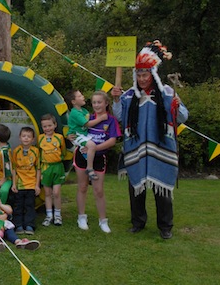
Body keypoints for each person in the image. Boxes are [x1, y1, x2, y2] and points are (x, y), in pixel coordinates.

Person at [111, 41, 189, 239]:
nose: (142, 78)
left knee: (162, 189)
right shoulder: (129, 95)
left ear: (153, 74)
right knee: (136, 188)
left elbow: (182, 117)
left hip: (160, 146)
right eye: (139, 75)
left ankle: (165, 227)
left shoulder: (167, 93)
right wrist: (116, 100)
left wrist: (176, 106)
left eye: (145, 75)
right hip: (136, 147)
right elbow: (120, 116)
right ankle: (138, 222)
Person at [73, 91, 121, 233]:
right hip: (82, 157)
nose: (96, 105)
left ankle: (103, 221)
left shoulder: (111, 120)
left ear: (106, 103)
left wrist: (93, 149)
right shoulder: (87, 118)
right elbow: (74, 132)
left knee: (99, 191)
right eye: (94, 102)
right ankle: (81, 217)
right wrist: (83, 147)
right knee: (82, 187)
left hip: (99, 158)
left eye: (99, 102)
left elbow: (112, 141)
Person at [67, 89, 109, 181]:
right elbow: (88, 124)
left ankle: (89, 173)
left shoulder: (84, 111)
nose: (83, 97)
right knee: (92, 145)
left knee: (87, 151)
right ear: (73, 101)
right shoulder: (75, 113)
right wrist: (101, 118)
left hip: (84, 135)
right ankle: (89, 169)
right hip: (77, 135)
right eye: (80, 96)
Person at [38, 114, 67, 226]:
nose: (47, 128)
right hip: (46, 168)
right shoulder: (40, 138)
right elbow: (39, 154)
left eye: (49, 125)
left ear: (54, 125)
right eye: (45, 126)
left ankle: (58, 215)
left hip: (57, 167)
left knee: (56, 192)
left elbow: (63, 152)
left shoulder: (59, 138)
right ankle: (49, 215)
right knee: (48, 193)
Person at [11, 126, 41, 235]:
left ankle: (29, 225)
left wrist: (37, 185)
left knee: (29, 206)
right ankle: (18, 225)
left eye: (29, 136)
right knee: (18, 206)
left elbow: (38, 169)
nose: (26, 138)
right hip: (19, 184)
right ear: (20, 137)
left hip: (31, 185)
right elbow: (13, 168)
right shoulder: (16, 151)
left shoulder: (35, 151)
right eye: (24, 136)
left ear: (33, 139)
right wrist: (14, 183)